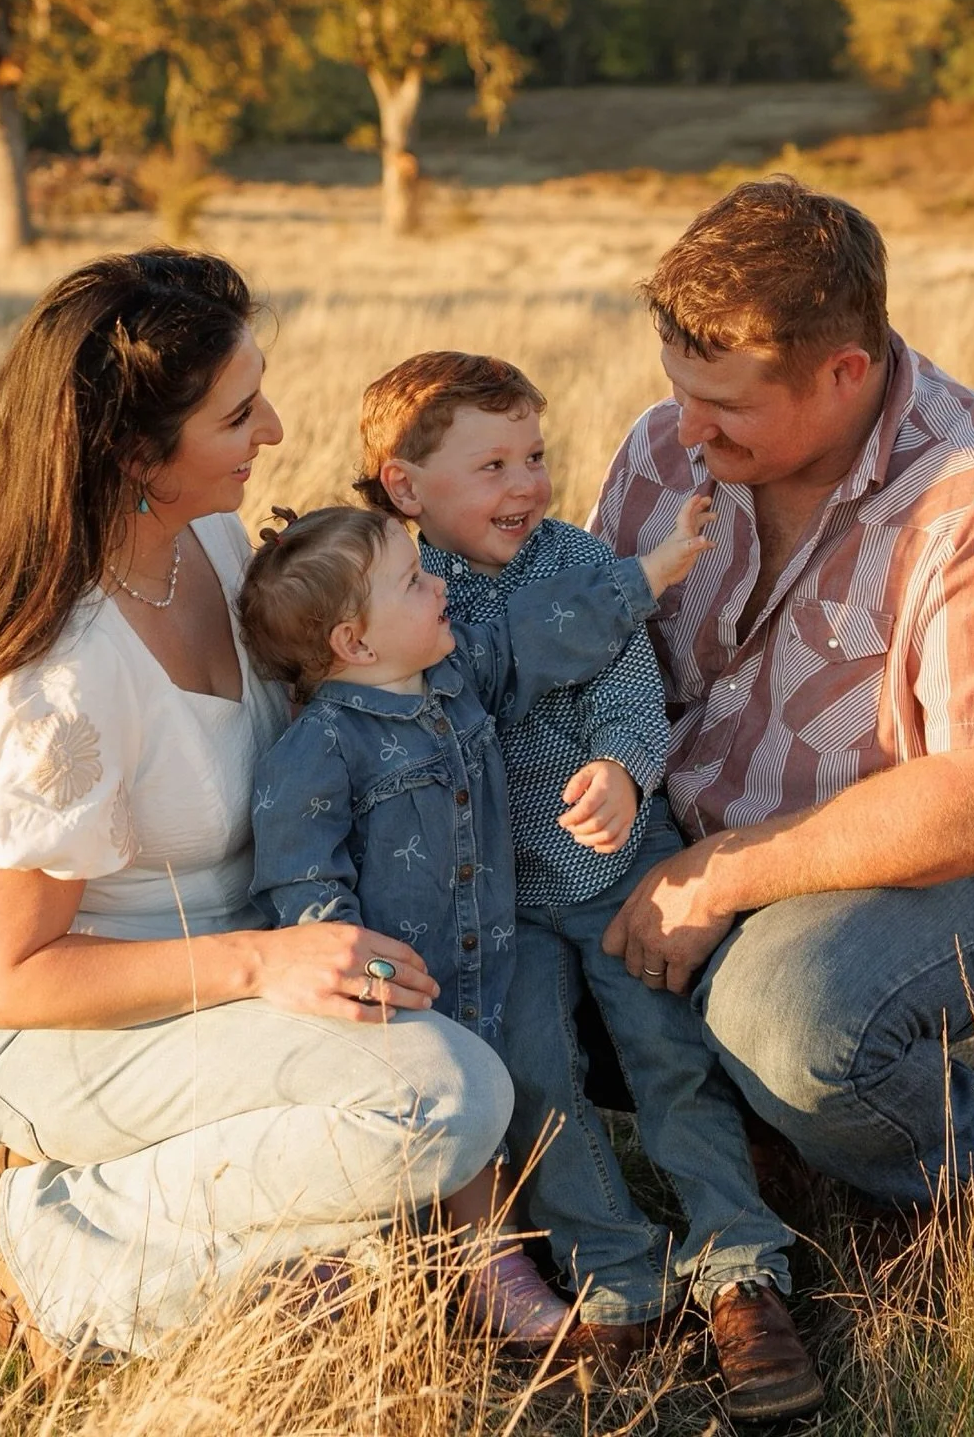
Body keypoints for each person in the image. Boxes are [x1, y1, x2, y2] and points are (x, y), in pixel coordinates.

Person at [0, 250, 512, 1368]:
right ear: (136, 454)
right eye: (236, 415)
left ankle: (291, 1258)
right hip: (93, 1030)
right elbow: (12, 981)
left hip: (251, 980)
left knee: (454, 1077)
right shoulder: (63, 684)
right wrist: (262, 964)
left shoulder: (212, 542)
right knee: (448, 1099)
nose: (274, 430)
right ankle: (50, 1237)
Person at [591, 177, 974, 1420]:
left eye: (725, 404)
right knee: (522, 957)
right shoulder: (663, 450)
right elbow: (596, 673)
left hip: (929, 873)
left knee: (790, 1022)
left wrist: (717, 877)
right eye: (677, 388)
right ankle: (765, 1144)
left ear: (844, 373)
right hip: (690, 837)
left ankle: (958, 1180)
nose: (685, 429)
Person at [355, 352, 808, 1405]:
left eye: (536, 456)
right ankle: (616, 1270)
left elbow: (628, 687)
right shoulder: (401, 592)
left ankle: (740, 1264)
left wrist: (622, 766)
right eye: (493, 466)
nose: (528, 483)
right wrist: (638, 579)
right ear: (406, 487)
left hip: (613, 873)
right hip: (495, 901)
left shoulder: (576, 560)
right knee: (535, 1080)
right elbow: (472, 674)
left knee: (669, 1057)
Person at [237, 496, 711, 1352]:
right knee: (447, 1128)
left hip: (493, 958)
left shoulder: (458, 678)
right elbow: (301, 877)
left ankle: (592, 1267)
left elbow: (540, 635)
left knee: (528, 1097)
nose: (440, 587)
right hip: (404, 993)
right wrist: (364, 971)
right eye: (413, 582)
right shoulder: (319, 748)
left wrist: (645, 577)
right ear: (356, 644)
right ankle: (483, 1276)